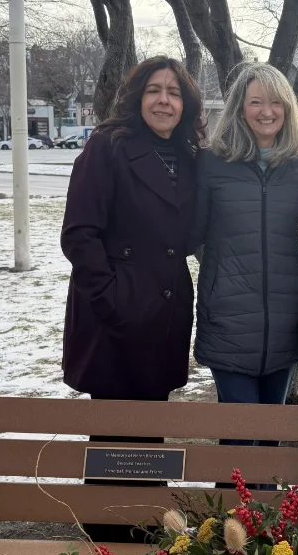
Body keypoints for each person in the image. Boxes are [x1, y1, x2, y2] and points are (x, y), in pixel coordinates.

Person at [61, 55, 204, 403]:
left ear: (185, 104)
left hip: (166, 314)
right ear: (137, 98)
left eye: (174, 92)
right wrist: (113, 300)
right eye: (153, 90)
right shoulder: (107, 147)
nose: (163, 100)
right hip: (114, 317)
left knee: (152, 438)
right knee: (112, 443)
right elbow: (79, 234)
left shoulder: (189, 157)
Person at [192, 63, 298, 415]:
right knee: (239, 435)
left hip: (284, 320)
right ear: (240, 109)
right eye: (256, 102)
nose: (266, 112)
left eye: (276, 102)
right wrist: (224, 275)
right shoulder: (213, 162)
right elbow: (193, 233)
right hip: (227, 320)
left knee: (272, 434)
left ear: (287, 109)